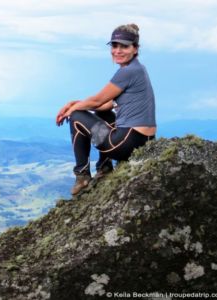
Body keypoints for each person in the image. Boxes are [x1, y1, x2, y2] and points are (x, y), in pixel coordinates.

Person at [56, 23, 156, 195]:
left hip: (126, 143)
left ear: (135, 49)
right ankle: (104, 168)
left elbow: (96, 101)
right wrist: (74, 104)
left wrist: (71, 110)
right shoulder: (138, 69)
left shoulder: (128, 72)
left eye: (124, 46)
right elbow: (105, 105)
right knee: (102, 113)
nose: (117, 50)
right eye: (115, 46)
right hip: (142, 141)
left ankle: (82, 175)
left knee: (77, 117)